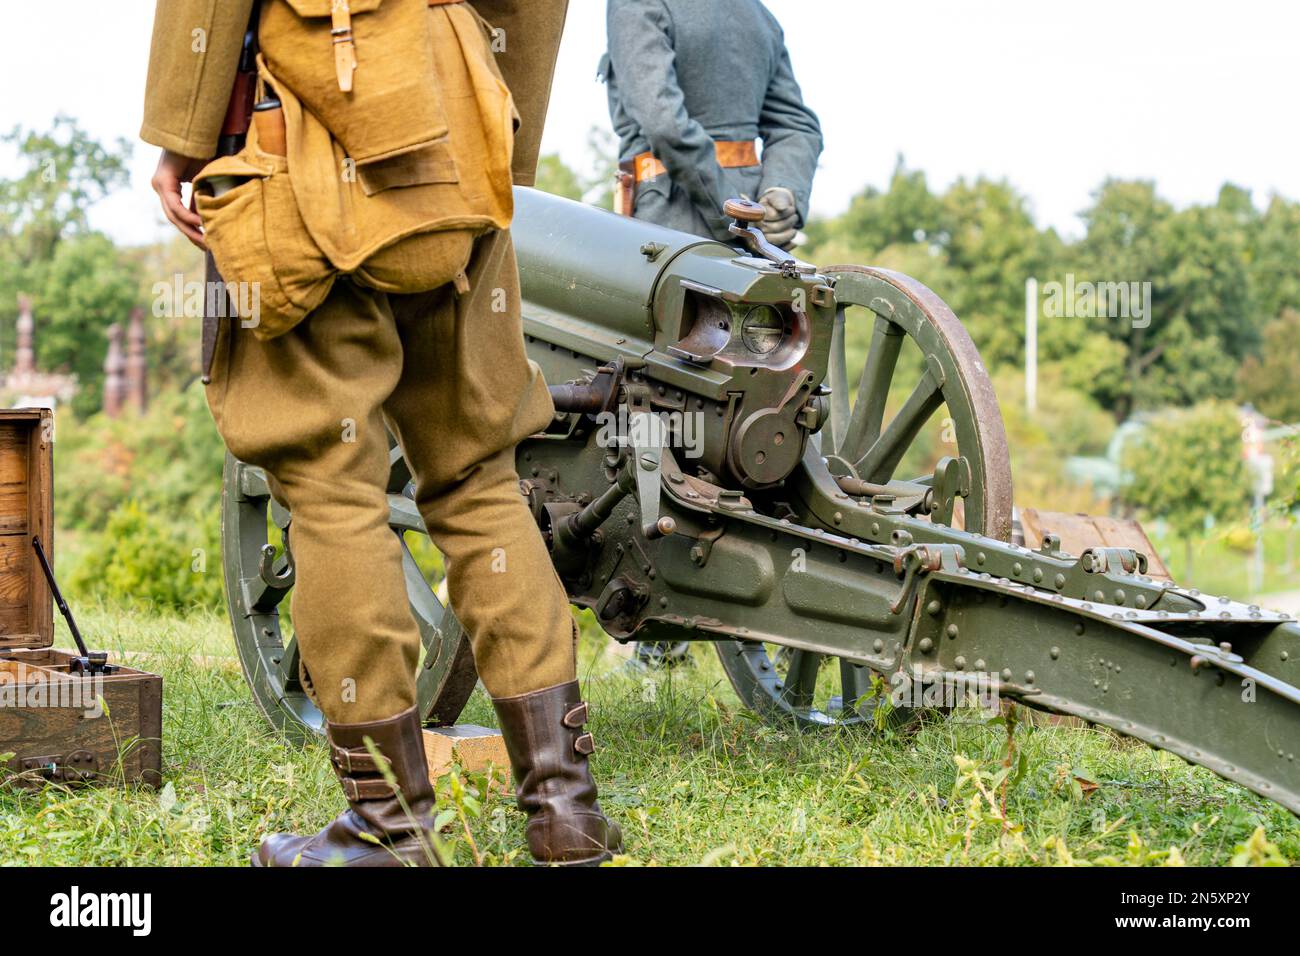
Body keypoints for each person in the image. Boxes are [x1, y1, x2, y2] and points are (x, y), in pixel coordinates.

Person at [142, 0, 621, 867]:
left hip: (305, 142)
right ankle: (566, 811)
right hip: (458, 138)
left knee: (330, 487)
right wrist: (499, 147)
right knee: (478, 476)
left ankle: (388, 831)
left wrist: (181, 130)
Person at [603, 0, 822, 666]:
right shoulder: (755, 14)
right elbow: (797, 125)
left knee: (643, 420)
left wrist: (719, 196)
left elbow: (659, 116)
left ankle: (653, 637)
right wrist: (778, 195)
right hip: (752, 247)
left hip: (666, 232)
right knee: (740, 417)